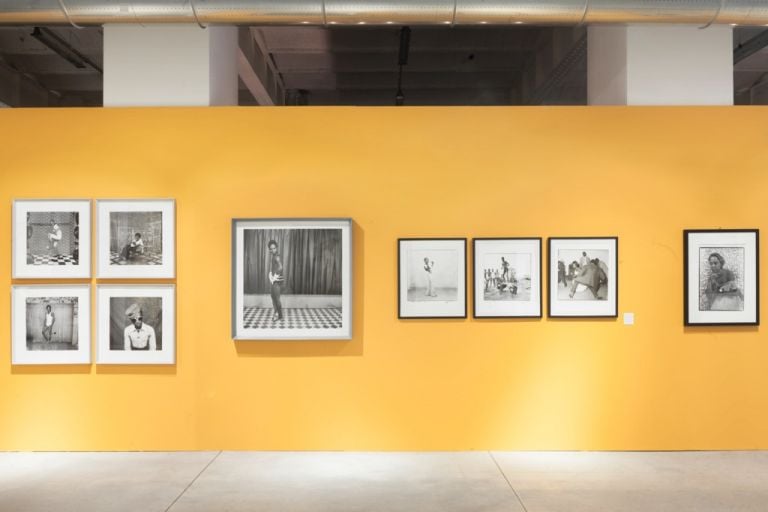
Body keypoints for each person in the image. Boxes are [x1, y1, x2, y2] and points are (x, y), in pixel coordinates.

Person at [268, 240, 284, 321]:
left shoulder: (276, 256)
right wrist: (270, 273)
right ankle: (278, 314)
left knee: (276, 298)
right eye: (271, 249)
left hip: (277, 280)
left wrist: (275, 276)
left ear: (276, 248)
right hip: (275, 280)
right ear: (269, 249)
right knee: (273, 297)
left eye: (274, 248)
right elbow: (274, 267)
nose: (272, 250)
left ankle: (278, 314)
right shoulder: (274, 256)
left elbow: (280, 267)